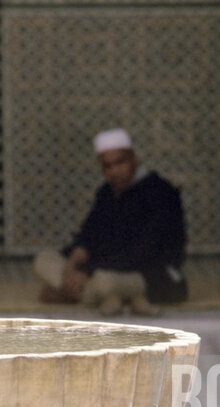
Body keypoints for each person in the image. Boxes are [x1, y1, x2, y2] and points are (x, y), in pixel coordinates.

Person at [34, 128, 187, 316]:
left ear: (133, 158)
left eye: (120, 162)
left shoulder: (160, 192)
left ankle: (70, 295)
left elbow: (143, 252)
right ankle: (116, 298)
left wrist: (88, 271)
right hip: (106, 266)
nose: (115, 171)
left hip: (151, 273)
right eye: (107, 166)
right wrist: (74, 260)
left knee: (104, 281)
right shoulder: (107, 193)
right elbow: (91, 233)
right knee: (44, 260)